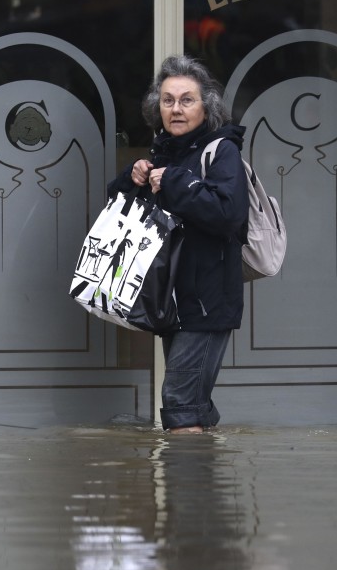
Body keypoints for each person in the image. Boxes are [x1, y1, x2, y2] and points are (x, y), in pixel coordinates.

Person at [107, 55, 249, 433]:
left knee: (180, 404)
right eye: (168, 100)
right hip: (173, 300)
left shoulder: (222, 151)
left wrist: (172, 182)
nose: (176, 109)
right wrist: (131, 180)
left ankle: (184, 488)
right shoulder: (164, 152)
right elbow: (124, 215)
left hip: (206, 302)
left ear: (207, 107)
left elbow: (228, 214)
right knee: (193, 406)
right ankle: (204, 486)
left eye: (187, 100)